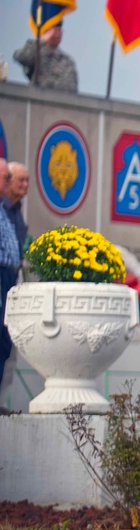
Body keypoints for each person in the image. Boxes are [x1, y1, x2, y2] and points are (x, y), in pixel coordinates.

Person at [0, 159, 22, 388]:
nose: (10, 182)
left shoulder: (4, 209)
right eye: (6, 177)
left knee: (4, 342)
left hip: (8, 278)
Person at [13, 22, 79, 92]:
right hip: (40, 99)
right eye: (54, 30)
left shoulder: (67, 61)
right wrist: (42, 39)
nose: (58, 33)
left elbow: (72, 88)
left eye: (59, 30)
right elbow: (21, 57)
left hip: (62, 101)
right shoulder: (36, 52)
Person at [3, 161, 29, 257]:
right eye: (21, 180)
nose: (25, 185)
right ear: (8, 181)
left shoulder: (17, 208)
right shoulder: (2, 209)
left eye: (27, 180)